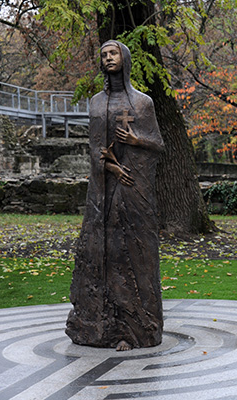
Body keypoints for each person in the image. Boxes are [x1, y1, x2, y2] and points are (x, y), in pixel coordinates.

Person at [66, 40, 165, 351]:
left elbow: (158, 146)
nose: (108, 58)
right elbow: (96, 151)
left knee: (133, 252)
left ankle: (138, 327)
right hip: (105, 192)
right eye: (104, 55)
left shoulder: (143, 103)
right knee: (104, 250)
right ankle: (98, 324)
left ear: (125, 59)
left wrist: (136, 140)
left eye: (113, 54)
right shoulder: (96, 103)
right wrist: (113, 169)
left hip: (135, 193)